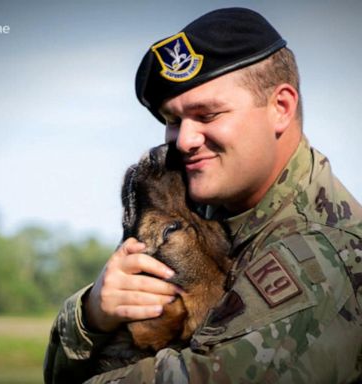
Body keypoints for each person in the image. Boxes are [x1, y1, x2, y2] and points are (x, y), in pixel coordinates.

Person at [44, 7, 362, 384]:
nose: (185, 140)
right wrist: (94, 314)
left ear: (280, 108)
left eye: (208, 115)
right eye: (173, 120)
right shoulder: (212, 205)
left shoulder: (321, 256)